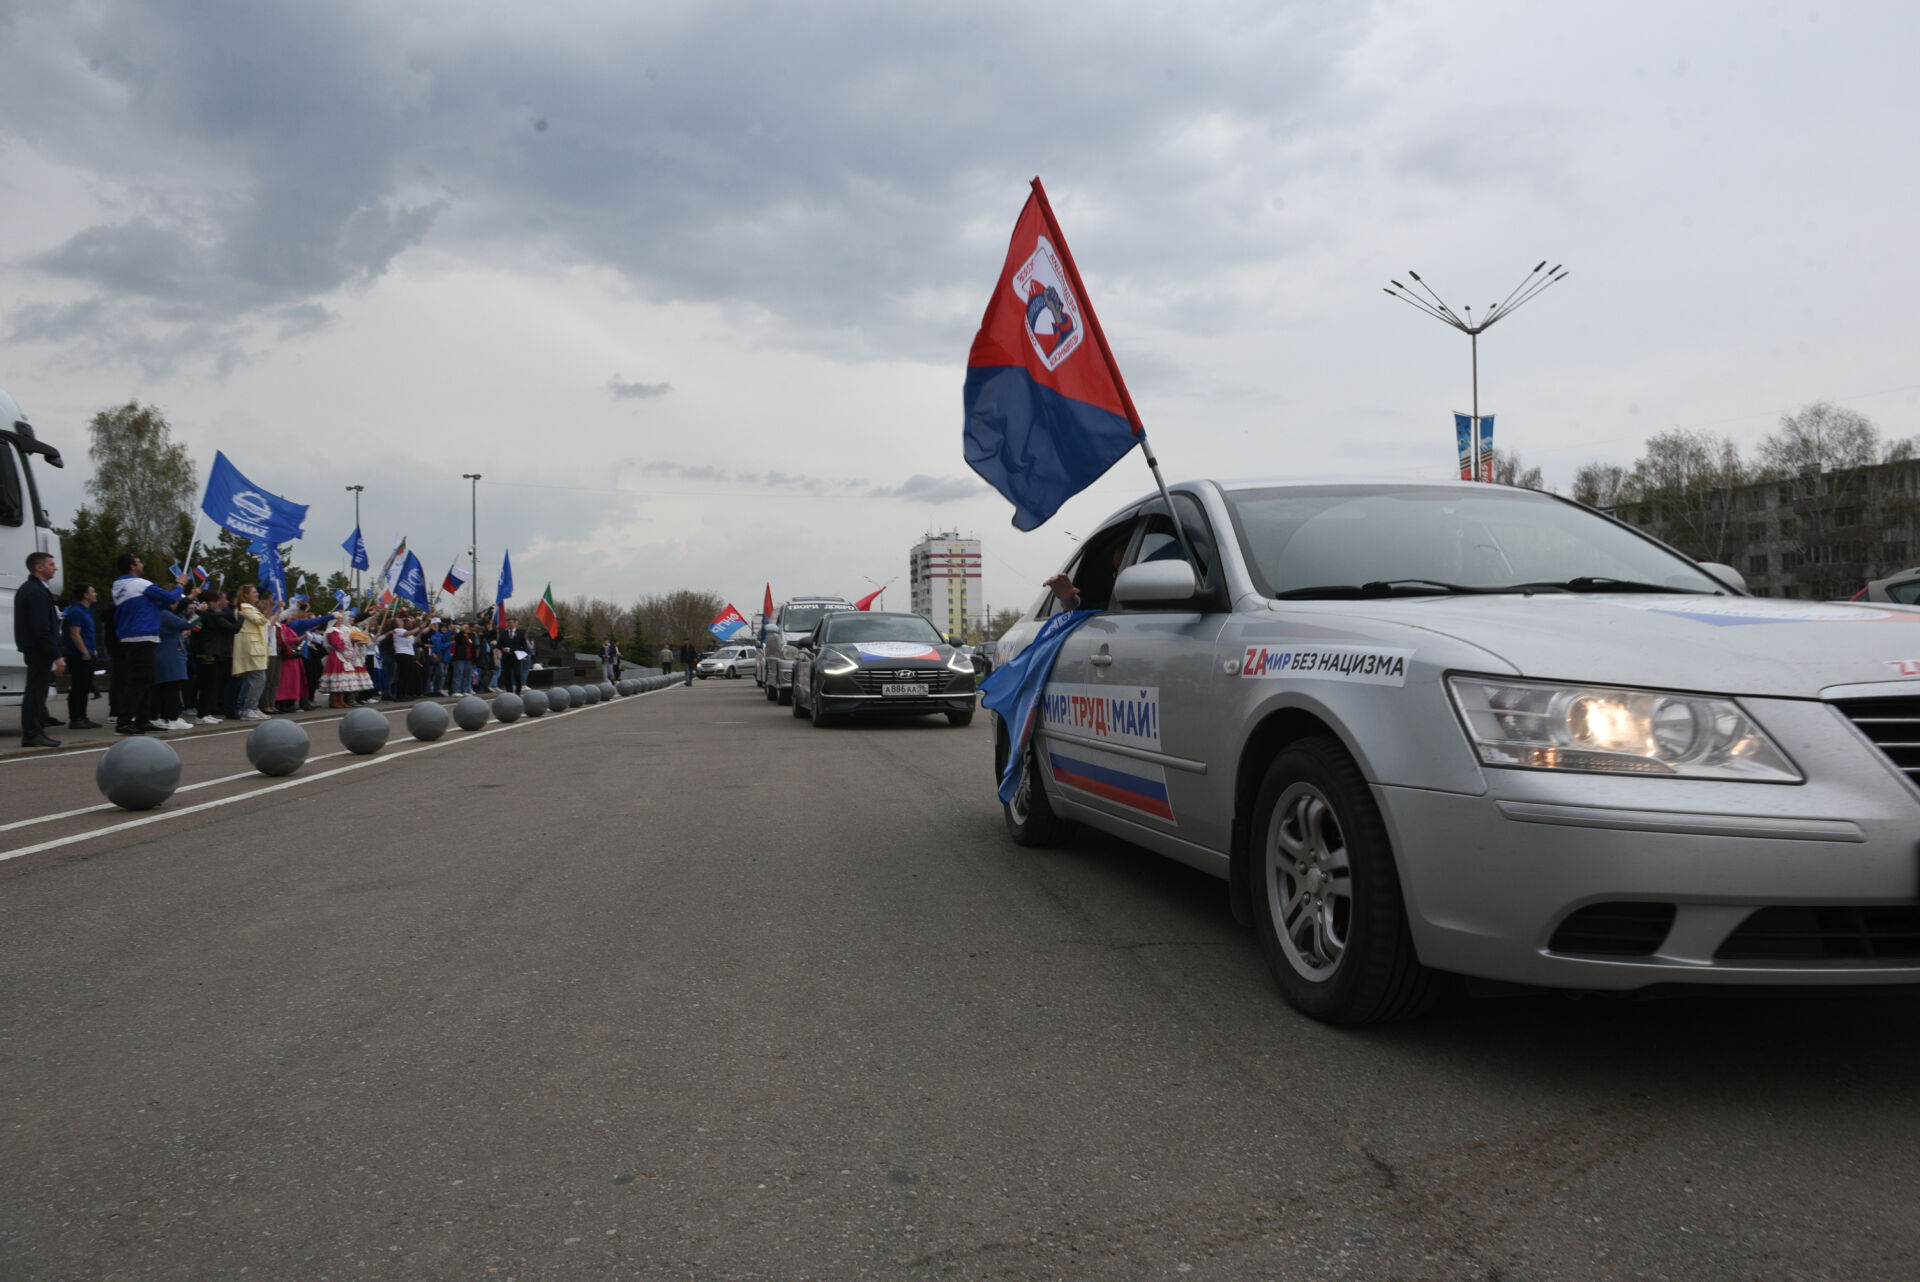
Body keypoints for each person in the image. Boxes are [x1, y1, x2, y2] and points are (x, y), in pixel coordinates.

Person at [111, 553, 186, 735]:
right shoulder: (138, 583)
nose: (142, 564)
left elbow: (153, 606)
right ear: (132, 566)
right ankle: (124, 722)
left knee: (147, 680)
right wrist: (181, 584)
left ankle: (143, 719)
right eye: (138, 562)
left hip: (131, 636)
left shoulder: (118, 586)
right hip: (142, 636)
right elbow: (169, 598)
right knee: (139, 680)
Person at [13, 550, 66, 747]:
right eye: (51, 564)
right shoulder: (35, 591)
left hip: (36, 648)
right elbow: (41, 628)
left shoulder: (34, 589)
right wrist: (56, 655)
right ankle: (32, 733)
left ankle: (35, 731)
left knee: (36, 692)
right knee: (36, 692)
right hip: (39, 650)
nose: (55, 568)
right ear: (39, 567)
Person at [62, 581, 102, 730]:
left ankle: (83, 716)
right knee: (78, 687)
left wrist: (92, 650)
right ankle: (75, 718)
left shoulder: (86, 611)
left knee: (85, 686)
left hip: (88, 654)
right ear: (85, 595)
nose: (95, 594)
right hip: (78, 656)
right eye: (92, 592)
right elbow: (75, 634)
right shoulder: (76, 612)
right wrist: (84, 651)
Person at [193, 591, 238, 724]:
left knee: (211, 685)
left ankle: (206, 712)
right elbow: (195, 628)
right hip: (206, 652)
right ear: (208, 602)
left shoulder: (208, 615)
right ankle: (201, 715)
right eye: (215, 601)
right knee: (207, 685)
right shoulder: (207, 615)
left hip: (211, 651)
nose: (217, 603)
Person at [151, 600, 196, 731]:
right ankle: (171, 717)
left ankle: (168, 716)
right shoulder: (165, 614)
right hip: (169, 654)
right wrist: (197, 613)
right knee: (172, 686)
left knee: (170, 687)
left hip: (169, 652)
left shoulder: (164, 614)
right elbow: (187, 624)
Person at [230, 584, 272, 720]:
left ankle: (251, 707)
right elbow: (260, 621)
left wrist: (271, 608)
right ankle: (249, 708)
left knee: (253, 680)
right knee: (258, 679)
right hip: (251, 648)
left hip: (256, 647)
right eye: (254, 592)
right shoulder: (244, 608)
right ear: (246, 594)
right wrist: (269, 607)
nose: (257, 595)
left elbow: (265, 623)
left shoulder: (251, 608)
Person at [318, 612, 373, 707]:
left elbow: (347, 640)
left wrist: (354, 641)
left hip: (344, 654)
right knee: (338, 677)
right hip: (336, 655)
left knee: (344, 678)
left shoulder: (344, 630)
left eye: (341, 619)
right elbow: (335, 643)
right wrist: (349, 642)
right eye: (339, 619)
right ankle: (334, 701)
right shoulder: (332, 630)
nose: (341, 620)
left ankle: (340, 699)